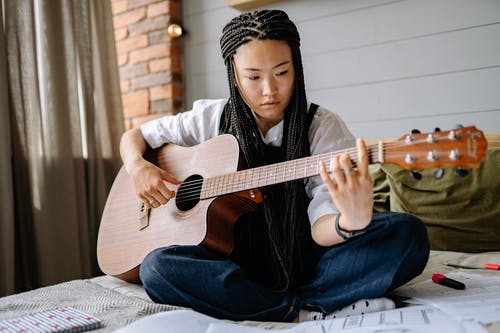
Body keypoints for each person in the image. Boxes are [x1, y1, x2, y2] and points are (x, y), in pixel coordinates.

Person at [119, 9, 429, 322]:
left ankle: (278, 304)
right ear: (235, 77)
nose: (269, 90)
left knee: (408, 235)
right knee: (157, 268)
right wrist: (136, 166)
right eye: (253, 77)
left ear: (297, 68)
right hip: (229, 262)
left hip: (305, 263)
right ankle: (301, 310)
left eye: (281, 72)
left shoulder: (322, 128)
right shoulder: (211, 117)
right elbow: (135, 136)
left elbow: (322, 229)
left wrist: (348, 221)